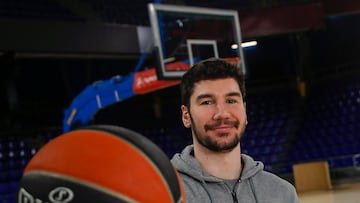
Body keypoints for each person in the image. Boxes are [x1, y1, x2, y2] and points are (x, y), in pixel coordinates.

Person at [171, 58, 299, 202]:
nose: (222, 113)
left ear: (244, 110)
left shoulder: (282, 194)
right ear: (186, 116)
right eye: (207, 102)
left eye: (231, 101)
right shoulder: (164, 194)